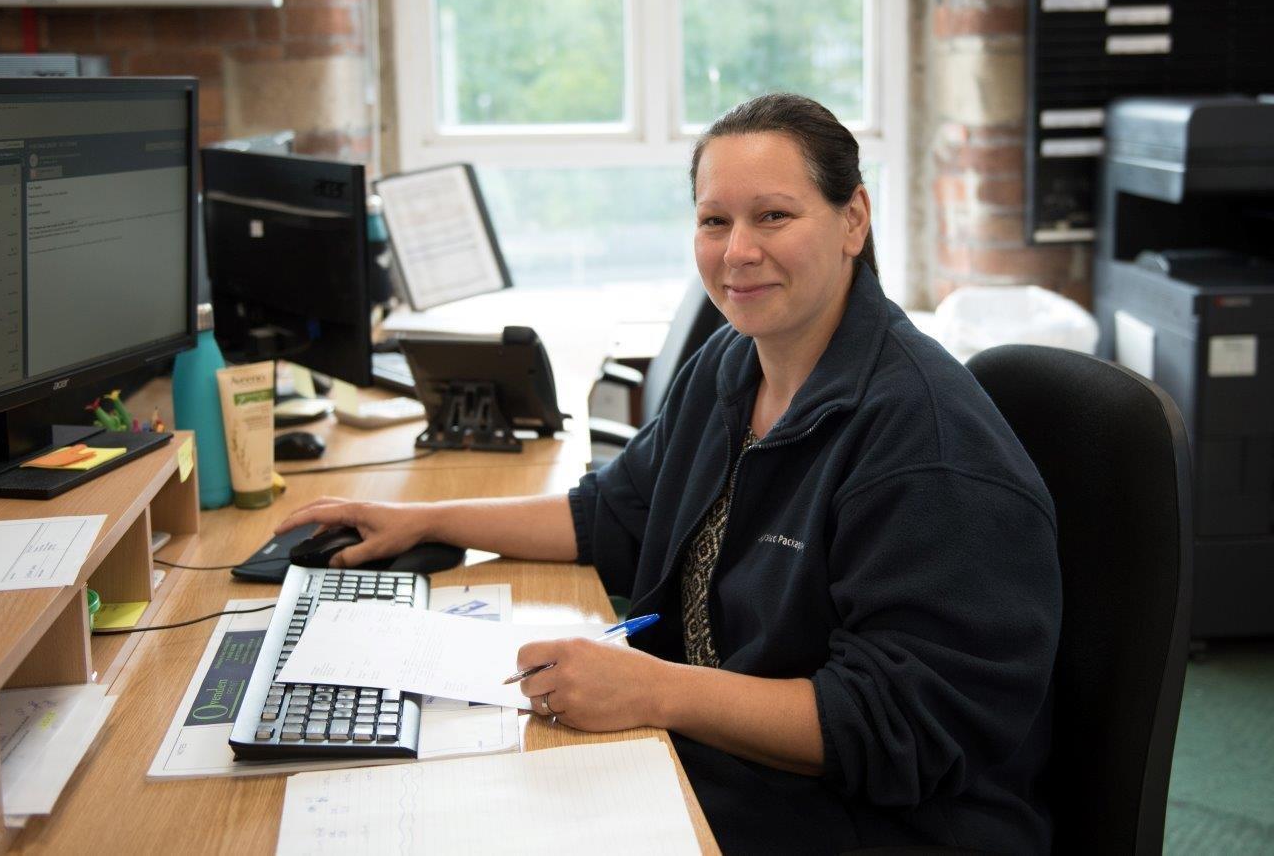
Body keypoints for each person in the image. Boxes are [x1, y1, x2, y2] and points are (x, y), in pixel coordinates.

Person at [275, 94, 1062, 854]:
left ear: (853, 218)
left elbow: (892, 726)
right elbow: (614, 512)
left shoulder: (923, 441)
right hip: (730, 764)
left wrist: (655, 690)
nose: (737, 251)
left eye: (773, 216)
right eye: (714, 220)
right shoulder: (732, 364)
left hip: (875, 821)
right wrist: (428, 521)